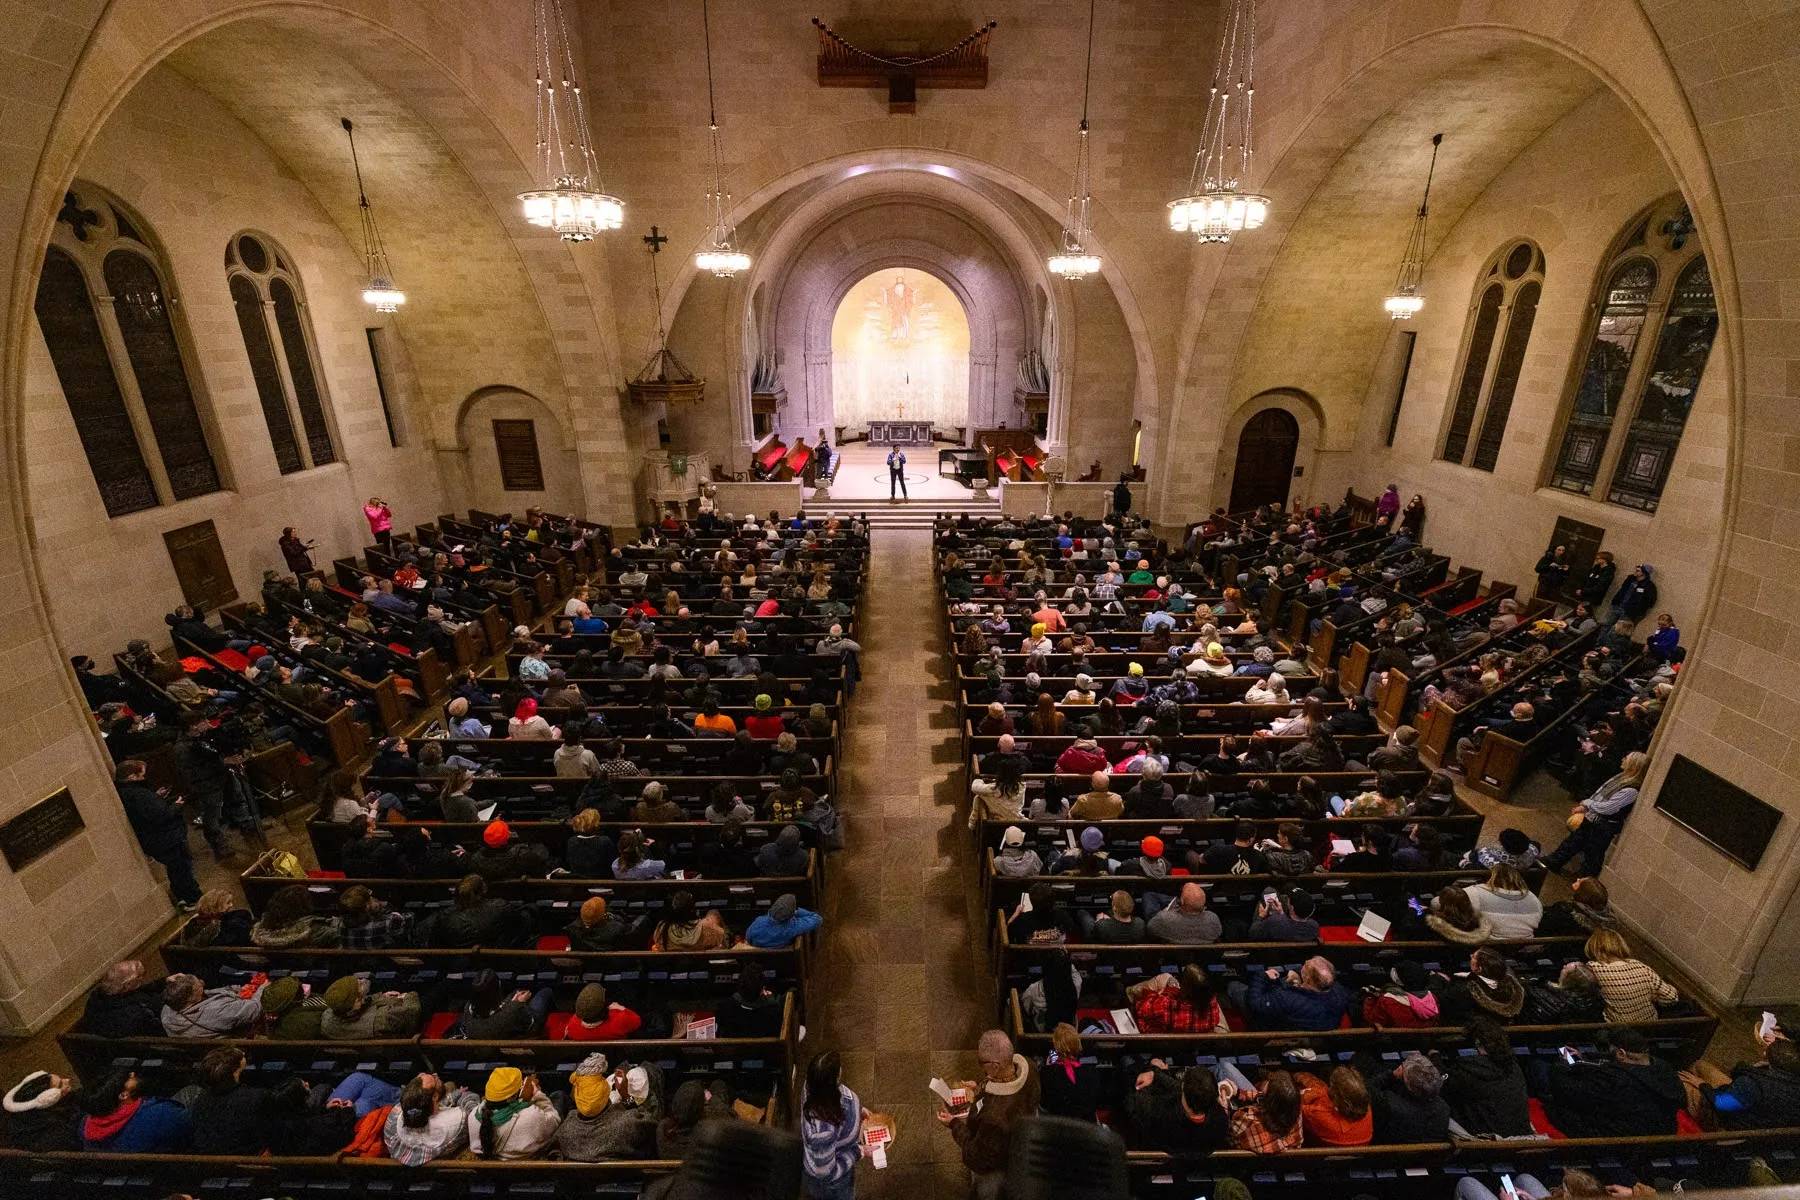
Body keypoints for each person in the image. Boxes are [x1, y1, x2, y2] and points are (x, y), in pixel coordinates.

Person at [940, 1029, 1040, 1198]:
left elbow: (976, 1157)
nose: (981, 1066)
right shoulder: (1029, 1067)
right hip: (1023, 1139)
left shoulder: (994, 1118)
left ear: (995, 1065)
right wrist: (980, 1088)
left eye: (982, 1063)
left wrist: (953, 1124)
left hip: (1001, 1164)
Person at [1537, 1026, 1684, 1136]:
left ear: (1621, 1053)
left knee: (1540, 1069)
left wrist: (1562, 1066)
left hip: (1617, 1135)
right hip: (1662, 1130)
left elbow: (1569, 1091)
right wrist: (1584, 1061)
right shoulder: (1665, 1069)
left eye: (1611, 1050)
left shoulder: (1614, 1079)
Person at [1542, 751, 1647, 876]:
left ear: (1633, 765)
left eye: (1626, 758)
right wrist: (1585, 807)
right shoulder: (1621, 778)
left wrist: (1588, 804)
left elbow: (1608, 808)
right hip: (1593, 818)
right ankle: (1554, 861)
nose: (1622, 759)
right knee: (1573, 842)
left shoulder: (1631, 790)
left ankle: (1585, 879)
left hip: (1603, 825)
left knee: (1593, 854)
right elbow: (1600, 794)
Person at [114, 758, 199, 907]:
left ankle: (183, 896)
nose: (144, 778)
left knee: (176, 868)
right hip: (165, 838)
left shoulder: (127, 792)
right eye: (142, 775)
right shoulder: (138, 794)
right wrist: (176, 805)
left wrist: (156, 797)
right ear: (132, 777)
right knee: (181, 868)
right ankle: (191, 898)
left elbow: (147, 810)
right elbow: (161, 816)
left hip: (159, 839)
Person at [1684, 1025, 1800, 1129]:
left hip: (1730, 1124)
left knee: (1681, 1080)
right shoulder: (1791, 1074)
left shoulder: (1753, 1083)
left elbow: (1722, 1104)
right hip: (1750, 1109)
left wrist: (1702, 1085)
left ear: (1766, 1055)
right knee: (1699, 1065)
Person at [1443, 1018, 1532, 1138]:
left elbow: (1441, 1086)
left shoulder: (1469, 1067)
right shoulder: (1515, 1067)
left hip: (1484, 1139)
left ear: (1477, 1044)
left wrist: (1435, 1058)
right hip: (1519, 1135)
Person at [553, 1052, 646, 1162]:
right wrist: (626, 1096)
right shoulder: (626, 1123)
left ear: (576, 1096)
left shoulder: (565, 1129)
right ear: (606, 1092)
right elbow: (649, 1120)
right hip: (620, 1172)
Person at [1125, 1059, 1229, 1152]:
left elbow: (1133, 1098)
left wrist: (1153, 1069)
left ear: (1183, 1087)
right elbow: (1186, 1091)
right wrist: (1157, 1074)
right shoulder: (1220, 1119)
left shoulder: (1161, 1115)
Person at [800, 1051, 863, 1200]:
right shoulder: (824, 1131)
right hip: (833, 1184)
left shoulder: (812, 1087)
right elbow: (825, 1172)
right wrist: (858, 1152)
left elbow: (841, 1096)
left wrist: (858, 1110)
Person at [78, 1070, 191, 1151]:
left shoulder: (84, 1127)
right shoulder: (162, 1114)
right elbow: (187, 1128)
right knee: (191, 1091)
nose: (132, 1073)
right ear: (123, 1095)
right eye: (128, 1078)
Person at [1585, 928, 1678, 1022]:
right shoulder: (1639, 965)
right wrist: (1653, 997)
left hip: (1619, 1026)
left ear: (1594, 948)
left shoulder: (1595, 967)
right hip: (1650, 1023)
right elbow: (1672, 997)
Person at [468, 1066, 560, 1159]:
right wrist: (538, 1096)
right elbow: (555, 1121)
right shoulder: (531, 1115)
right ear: (513, 1097)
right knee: (559, 1096)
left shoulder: (473, 1115)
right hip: (530, 1162)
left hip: (494, 1162)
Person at [1239, 958, 1352, 1031]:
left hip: (1277, 1027)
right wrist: (1297, 977)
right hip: (1316, 1027)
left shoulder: (1287, 998)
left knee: (1235, 988)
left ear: (1307, 979)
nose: (1305, 961)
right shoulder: (1339, 992)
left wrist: (1262, 977)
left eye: (1305, 966)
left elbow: (1255, 1003)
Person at [1367, 1054, 1451, 1143]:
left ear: (1405, 1081)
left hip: (1387, 1150)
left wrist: (1391, 1075)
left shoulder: (1389, 1104)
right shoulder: (1443, 1108)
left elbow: (1364, 1090)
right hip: (1430, 1152)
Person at [1127, 964, 1228, 1033]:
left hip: (1159, 1035)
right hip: (1190, 1037)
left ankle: (1128, 993)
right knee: (1167, 978)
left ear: (1184, 987)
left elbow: (1140, 1008)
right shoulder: (1212, 1003)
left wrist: (1166, 991)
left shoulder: (1166, 1006)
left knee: (1164, 977)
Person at [161, 973, 262, 1038]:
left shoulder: (168, 1008)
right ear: (192, 997)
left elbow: (207, 994)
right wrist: (263, 988)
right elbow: (255, 1008)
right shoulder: (217, 1011)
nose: (202, 982)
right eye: (199, 985)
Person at [320, 974, 422, 1039]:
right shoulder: (383, 1018)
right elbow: (412, 1012)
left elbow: (359, 1006)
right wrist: (409, 996)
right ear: (357, 1002)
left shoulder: (328, 1017)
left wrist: (380, 997)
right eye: (360, 984)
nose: (363, 980)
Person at [0, 1070, 81, 1151]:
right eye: (60, 1085)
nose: (67, 1080)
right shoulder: (57, 1133)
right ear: (48, 1099)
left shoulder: (64, 1102)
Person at [1227, 1068, 1304, 1153]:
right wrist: (1239, 1093)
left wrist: (1224, 1105)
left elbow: (1225, 1133)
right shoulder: (1296, 1113)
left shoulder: (1247, 1120)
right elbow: (1269, 1098)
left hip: (1233, 1143)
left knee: (1224, 1067)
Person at [1295, 1066, 1373, 1145]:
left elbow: (1294, 1105)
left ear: (1335, 1096)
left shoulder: (1320, 1115)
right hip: (1360, 1152)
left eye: (1331, 1086)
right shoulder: (1367, 1109)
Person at [1462, 864, 1543, 939]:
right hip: (1527, 942)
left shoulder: (1475, 892)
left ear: (1490, 877)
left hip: (1490, 943)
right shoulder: (1533, 897)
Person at [1146, 881, 1222, 944]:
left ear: (1181, 901)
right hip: (1201, 953)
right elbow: (1217, 934)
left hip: (1173, 953)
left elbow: (1150, 929)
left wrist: (1166, 911)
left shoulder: (1165, 918)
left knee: (1148, 895)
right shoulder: (1213, 919)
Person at [747, 892, 823, 948]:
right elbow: (817, 919)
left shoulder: (759, 921)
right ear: (790, 915)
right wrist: (797, 912)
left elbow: (748, 938)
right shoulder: (792, 927)